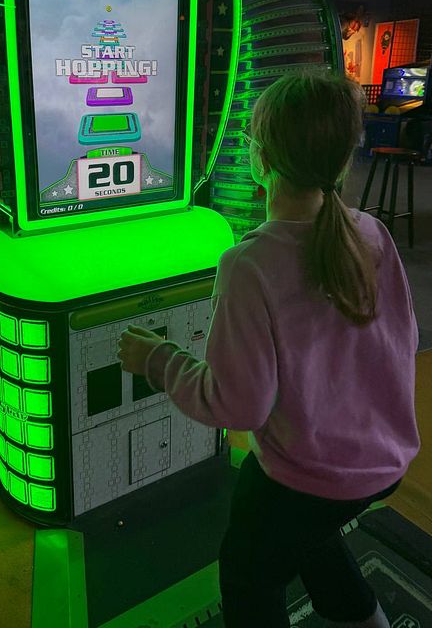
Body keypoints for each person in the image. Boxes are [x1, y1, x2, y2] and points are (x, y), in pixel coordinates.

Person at [117, 73, 420, 628]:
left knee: (248, 569)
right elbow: (402, 343)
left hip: (312, 473)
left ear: (261, 157)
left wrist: (156, 360)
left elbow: (238, 408)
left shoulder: (249, 264)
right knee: (308, 535)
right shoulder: (372, 234)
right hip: (385, 461)